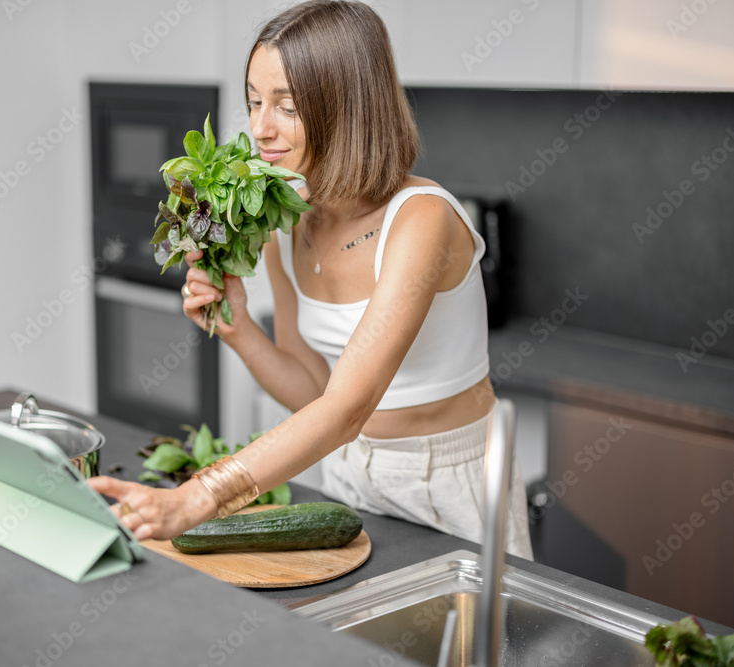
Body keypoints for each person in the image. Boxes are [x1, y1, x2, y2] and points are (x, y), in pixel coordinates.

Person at [89, 0, 533, 560]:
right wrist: (238, 327)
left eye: (287, 106)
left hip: (449, 484)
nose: (259, 128)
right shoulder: (289, 221)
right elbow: (314, 393)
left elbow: (347, 407)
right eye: (254, 102)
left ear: (349, 109)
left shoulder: (422, 219)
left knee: (470, 648)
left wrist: (200, 496)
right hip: (350, 482)